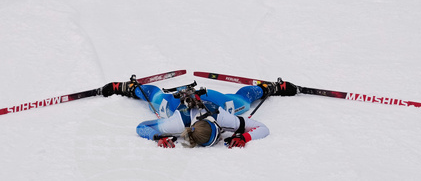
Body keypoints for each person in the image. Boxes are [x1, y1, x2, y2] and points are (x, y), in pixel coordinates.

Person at [100, 77, 298, 148]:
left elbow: (142, 128)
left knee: (241, 103)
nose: (223, 135)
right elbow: (261, 129)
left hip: (209, 100)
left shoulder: (218, 118)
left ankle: (269, 87)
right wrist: (245, 137)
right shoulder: (181, 123)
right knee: (242, 102)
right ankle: (130, 88)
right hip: (183, 102)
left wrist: (157, 137)